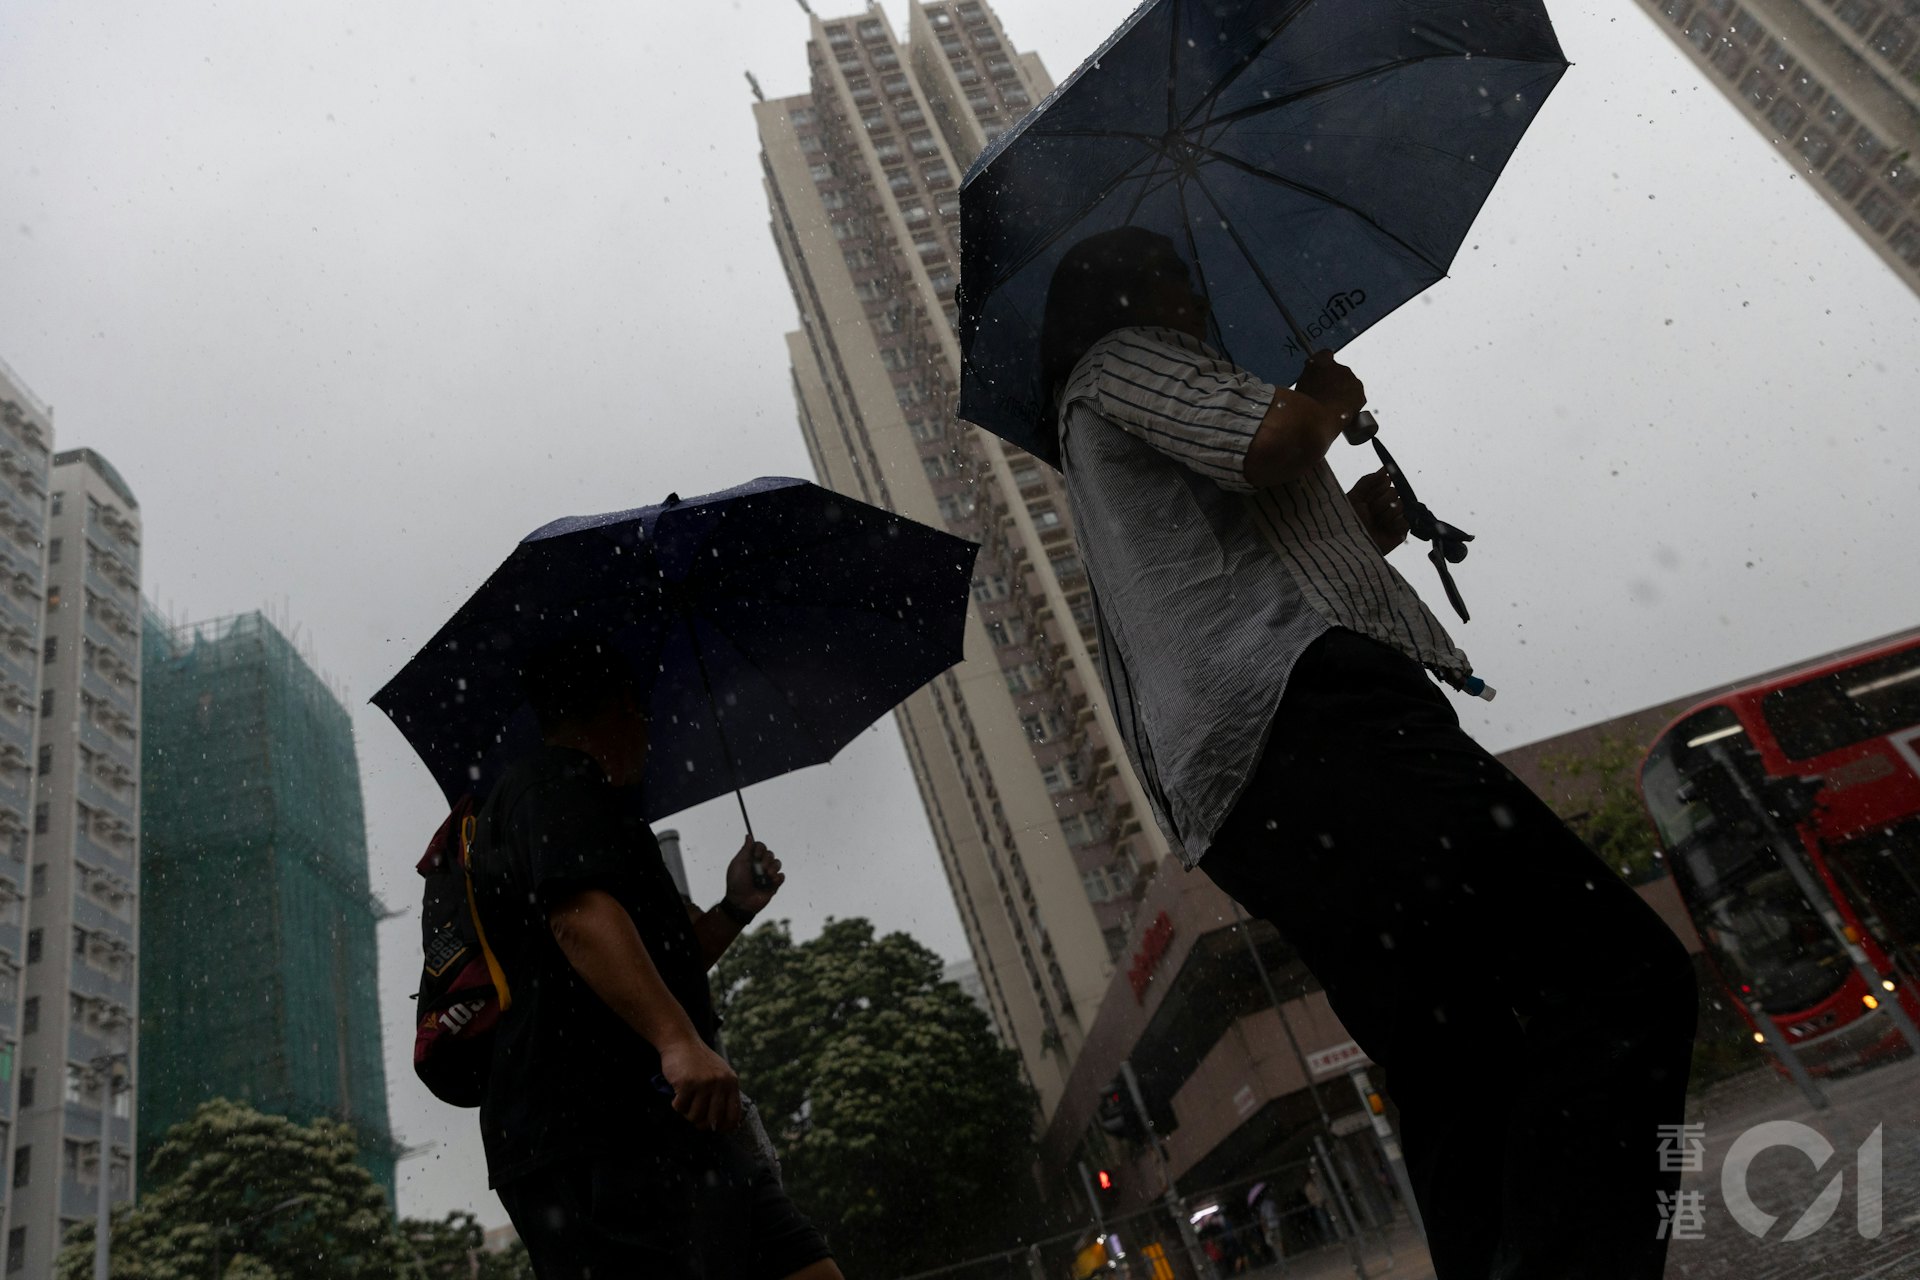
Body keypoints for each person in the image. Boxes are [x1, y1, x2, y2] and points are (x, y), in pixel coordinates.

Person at [1037, 227, 1698, 1280]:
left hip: (1267, 779)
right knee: (1619, 975)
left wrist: (1353, 529)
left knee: (1455, 1062)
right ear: (1128, 296)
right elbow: (1268, 442)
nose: (1198, 301)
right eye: (1179, 280)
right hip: (1313, 729)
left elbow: (1222, 568)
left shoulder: (1102, 425)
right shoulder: (1120, 362)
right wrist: (1324, 399)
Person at [467, 634, 843, 1280]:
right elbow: (577, 919)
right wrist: (677, 1041)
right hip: (598, 1132)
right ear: (622, 705)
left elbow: (661, 966)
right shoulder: (551, 783)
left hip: (665, 1125)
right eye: (642, 712)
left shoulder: (599, 809)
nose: (649, 731)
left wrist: (734, 908)